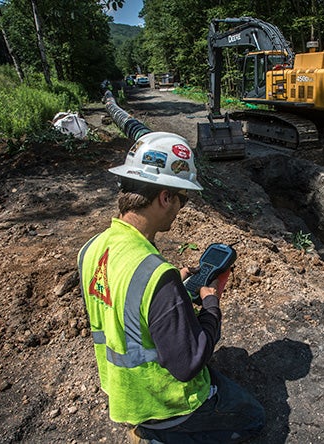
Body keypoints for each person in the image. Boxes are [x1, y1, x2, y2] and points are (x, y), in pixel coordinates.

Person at [77, 132, 265, 444]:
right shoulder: (156, 275)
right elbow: (188, 364)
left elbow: (121, 312)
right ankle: (159, 437)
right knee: (253, 417)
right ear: (165, 197)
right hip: (163, 403)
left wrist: (169, 297)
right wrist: (211, 304)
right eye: (183, 199)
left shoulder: (91, 249)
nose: (181, 208)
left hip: (122, 391)